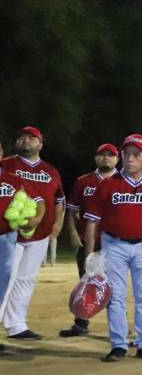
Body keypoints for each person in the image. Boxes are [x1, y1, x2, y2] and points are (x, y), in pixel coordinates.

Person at [83, 134, 142, 362]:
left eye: (136, 154)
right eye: (126, 154)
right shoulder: (106, 185)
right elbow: (92, 222)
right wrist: (91, 254)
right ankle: (119, 345)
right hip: (114, 245)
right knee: (115, 297)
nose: (130, 158)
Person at [1, 126, 65, 340]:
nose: (25, 140)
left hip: (41, 234)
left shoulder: (51, 171)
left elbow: (59, 200)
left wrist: (57, 223)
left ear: (40, 144)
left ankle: (16, 324)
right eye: (21, 137)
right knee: (5, 280)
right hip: (10, 235)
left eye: (31, 137)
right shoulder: (6, 164)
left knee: (26, 279)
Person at [59, 143, 119, 337]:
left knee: (116, 285)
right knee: (86, 281)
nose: (106, 158)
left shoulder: (123, 181)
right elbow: (72, 210)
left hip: (115, 241)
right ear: (96, 158)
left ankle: (117, 327)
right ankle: (81, 323)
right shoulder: (84, 181)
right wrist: (73, 232)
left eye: (110, 155)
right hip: (88, 240)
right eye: (102, 155)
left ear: (117, 159)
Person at [0, 148, 45, 351]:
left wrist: (36, 219)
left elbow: (39, 200)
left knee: (1, 288)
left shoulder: (12, 179)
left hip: (6, 240)